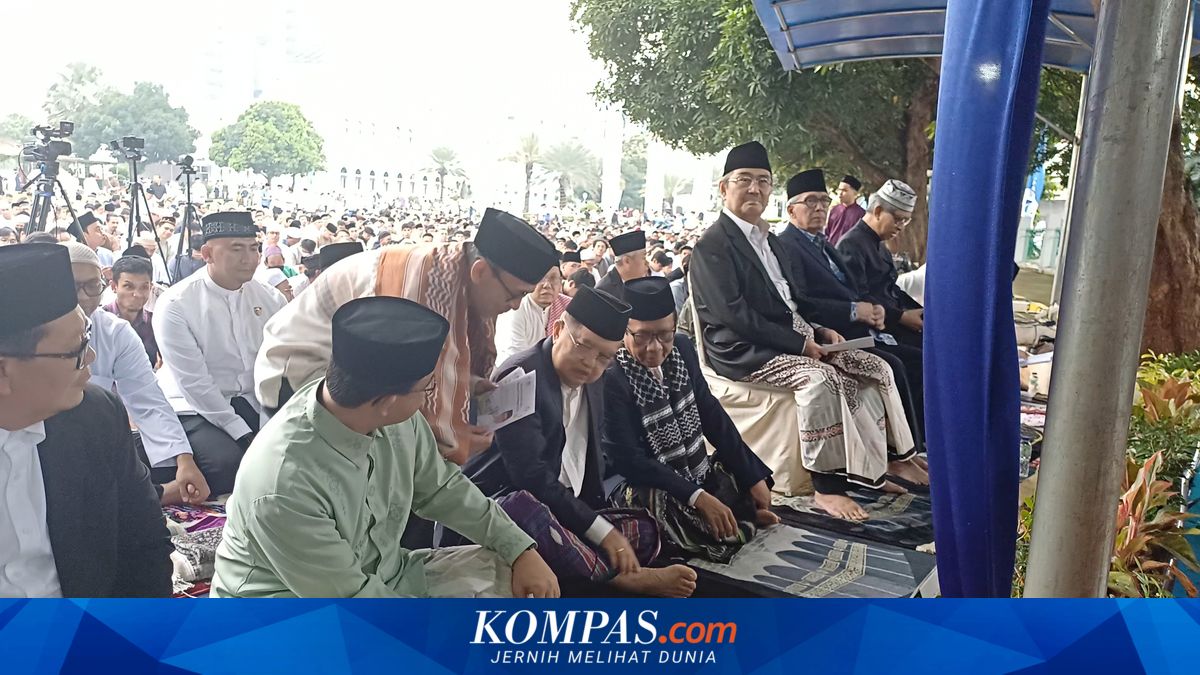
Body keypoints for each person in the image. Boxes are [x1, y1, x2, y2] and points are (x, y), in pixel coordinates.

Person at [212, 297, 559, 598]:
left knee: (510, 578)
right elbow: (355, 602)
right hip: (292, 612)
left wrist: (519, 548)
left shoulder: (390, 415)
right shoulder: (283, 485)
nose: (429, 396)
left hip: (387, 577)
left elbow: (443, 489)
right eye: (428, 387)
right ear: (387, 400)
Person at [689, 141, 922, 521]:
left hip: (796, 336)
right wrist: (800, 344)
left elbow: (794, 303)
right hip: (743, 350)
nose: (754, 189)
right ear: (723, 188)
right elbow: (733, 316)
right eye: (743, 180)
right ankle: (825, 489)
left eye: (762, 181)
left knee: (874, 368)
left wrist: (820, 330)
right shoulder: (712, 245)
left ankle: (884, 467)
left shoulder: (771, 242)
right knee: (822, 380)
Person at [256, 208, 560, 464]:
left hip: (358, 376)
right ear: (480, 272)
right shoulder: (420, 282)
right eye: (514, 295)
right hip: (302, 374)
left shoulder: (458, 272)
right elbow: (405, 382)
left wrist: (466, 384)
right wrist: (453, 438)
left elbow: (433, 374)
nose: (516, 306)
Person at [470, 286, 696, 597]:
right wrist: (601, 532)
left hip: (563, 508)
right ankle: (616, 577)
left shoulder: (596, 380)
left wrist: (597, 524)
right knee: (525, 509)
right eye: (584, 347)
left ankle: (587, 561)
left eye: (605, 356)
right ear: (559, 328)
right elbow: (530, 477)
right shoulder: (518, 377)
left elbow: (588, 462)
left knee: (643, 527)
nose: (591, 363)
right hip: (501, 507)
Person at [0, 243, 171, 597]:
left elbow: (144, 544)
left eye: (87, 338)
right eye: (75, 349)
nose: (91, 357)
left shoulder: (97, 417)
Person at [603, 278, 778, 562]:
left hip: (688, 467)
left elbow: (711, 413)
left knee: (731, 473)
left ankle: (735, 515)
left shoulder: (682, 348)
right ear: (625, 331)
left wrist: (752, 474)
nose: (654, 348)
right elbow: (629, 461)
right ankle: (735, 520)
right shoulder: (613, 374)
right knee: (662, 512)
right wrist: (696, 496)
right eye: (642, 336)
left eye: (664, 335)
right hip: (636, 478)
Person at [777, 169, 926, 446]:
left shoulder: (821, 243)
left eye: (824, 200)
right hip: (835, 334)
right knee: (901, 364)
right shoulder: (787, 246)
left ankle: (914, 445)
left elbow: (859, 291)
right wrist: (859, 311)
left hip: (862, 327)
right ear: (791, 209)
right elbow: (804, 303)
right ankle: (905, 450)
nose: (820, 207)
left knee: (921, 354)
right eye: (810, 201)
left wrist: (876, 310)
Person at [62, 243, 209, 505]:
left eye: (92, 287)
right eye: (73, 286)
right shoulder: (29, 333)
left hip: (96, 441)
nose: (84, 297)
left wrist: (183, 459)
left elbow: (148, 398)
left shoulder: (115, 332)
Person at [154, 212, 288, 495]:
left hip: (253, 399)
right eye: (237, 249)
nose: (249, 258)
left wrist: (267, 424)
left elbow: (278, 365)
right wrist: (245, 434)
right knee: (229, 466)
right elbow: (196, 384)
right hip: (193, 406)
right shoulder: (176, 304)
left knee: (289, 456)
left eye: (254, 249)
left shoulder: (270, 298)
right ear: (207, 254)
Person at [836, 179, 924, 349]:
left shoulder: (880, 245)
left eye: (905, 221)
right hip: (874, 330)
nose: (901, 227)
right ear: (877, 211)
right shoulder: (851, 244)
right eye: (898, 219)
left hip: (894, 322)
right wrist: (901, 317)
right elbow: (858, 297)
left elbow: (892, 289)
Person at [494, 266, 563, 365]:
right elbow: (516, 359)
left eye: (553, 278)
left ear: (561, 282)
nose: (547, 285)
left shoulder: (566, 306)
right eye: (541, 278)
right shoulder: (515, 309)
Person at [103, 255, 159, 366]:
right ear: (114, 286)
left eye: (144, 287)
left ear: (151, 287)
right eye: (128, 286)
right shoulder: (100, 322)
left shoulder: (156, 323)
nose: (137, 294)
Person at [595, 230, 649, 300]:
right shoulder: (604, 292)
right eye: (643, 258)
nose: (647, 263)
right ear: (627, 261)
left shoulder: (641, 282)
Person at [825, 175, 866, 245]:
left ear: (854, 193)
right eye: (839, 190)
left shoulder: (861, 214)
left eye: (844, 190)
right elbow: (827, 232)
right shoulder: (834, 210)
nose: (840, 193)